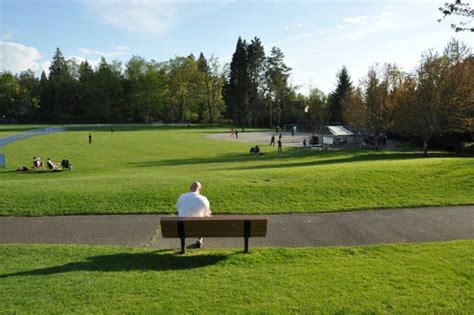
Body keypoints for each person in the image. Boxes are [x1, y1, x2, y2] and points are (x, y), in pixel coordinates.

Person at [176, 181, 211, 248]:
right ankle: (199, 240)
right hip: (197, 227)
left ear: (190, 188)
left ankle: (183, 246)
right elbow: (207, 215)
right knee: (203, 220)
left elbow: (178, 208)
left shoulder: (182, 197)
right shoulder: (203, 199)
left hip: (182, 229)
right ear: (200, 190)